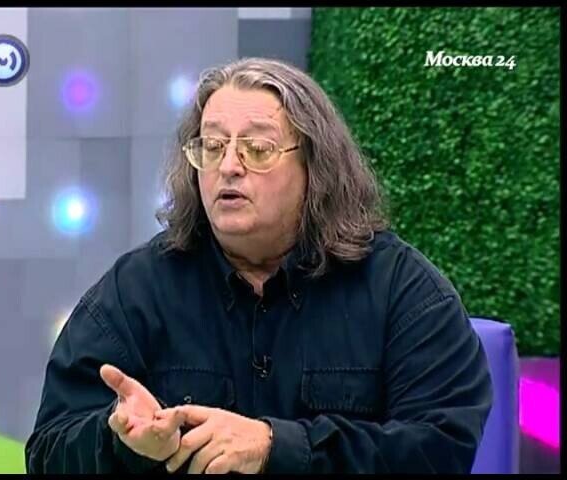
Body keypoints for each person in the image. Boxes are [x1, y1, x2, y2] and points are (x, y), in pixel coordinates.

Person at [25, 57, 493, 474]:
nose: (228, 166)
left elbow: (441, 450)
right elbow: (47, 453)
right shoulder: (135, 290)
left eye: (258, 148)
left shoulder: (401, 290)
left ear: (316, 167)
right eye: (212, 146)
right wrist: (123, 444)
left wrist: (277, 447)